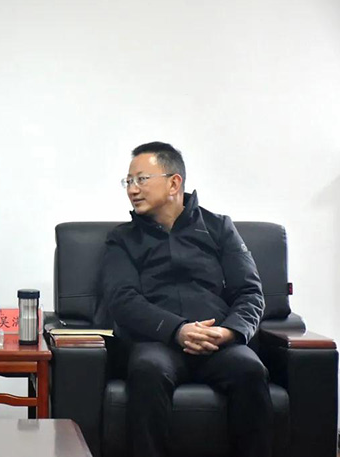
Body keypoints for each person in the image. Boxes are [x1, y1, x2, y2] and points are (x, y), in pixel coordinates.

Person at [96, 142, 272, 457]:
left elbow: (250, 291)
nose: (132, 189)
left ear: (174, 182)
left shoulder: (219, 228)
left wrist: (229, 332)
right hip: (156, 342)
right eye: (129, 181)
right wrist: (177, 330)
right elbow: (122, 299)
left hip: (218, 341)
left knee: (250, 370)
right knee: (148, 370)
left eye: (141, 179)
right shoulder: (122, 239)